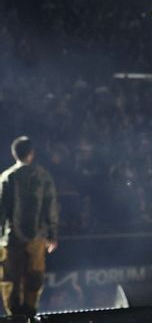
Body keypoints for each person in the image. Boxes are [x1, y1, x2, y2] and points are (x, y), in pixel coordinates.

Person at [0, 136, 59, 322]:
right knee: (33, 278)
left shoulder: (7, 177)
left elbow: (1, 211)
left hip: (11, 239)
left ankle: (15, 317)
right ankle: (30, 315)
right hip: (37, 238)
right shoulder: (43, 176)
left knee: (11, 280)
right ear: (31, 154)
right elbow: (51, 206)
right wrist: (52, 234)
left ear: (13, 154)